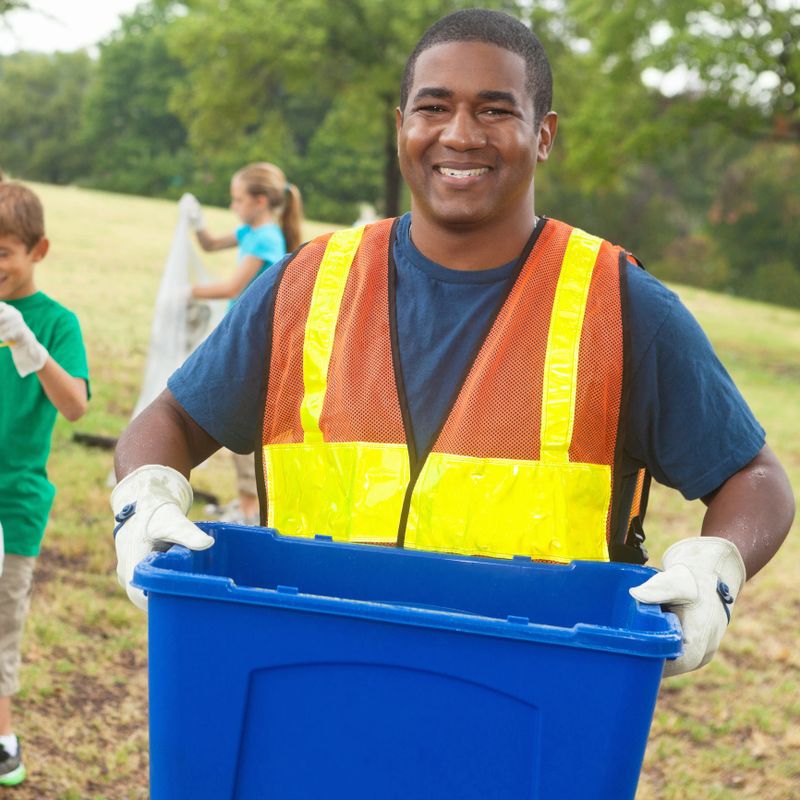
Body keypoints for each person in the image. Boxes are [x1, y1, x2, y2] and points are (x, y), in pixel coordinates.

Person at [111, 9, 794, 683]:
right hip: (315, 676)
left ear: (545, 134)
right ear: (402, 125)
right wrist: (145, 502)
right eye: (434, 106)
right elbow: (169, 421)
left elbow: (754, 478)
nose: (460, 135)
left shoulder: (621, 304)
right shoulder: (306, 283)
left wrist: (715, 572)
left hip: (533, 696)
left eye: (496, 110)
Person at [0, 181, 89, 786]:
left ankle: (2, 732)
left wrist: (28, 346)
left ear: (39, 250)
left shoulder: (57, 323)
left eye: (3, 250)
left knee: (3, 618)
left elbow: (77, 406)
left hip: (17, 499)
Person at [181, 162, 304, 524]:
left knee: (242, 416)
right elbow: (210, 243)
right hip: (245, 335)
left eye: (238, 199)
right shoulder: (251, 230)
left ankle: (251, 508)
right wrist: (194, 218)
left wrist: (186, 292)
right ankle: (247, 503)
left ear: (260, 200)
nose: (233, 206)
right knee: (236, 412)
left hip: (259, 340)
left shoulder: (266, 237)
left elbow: (233, 287)